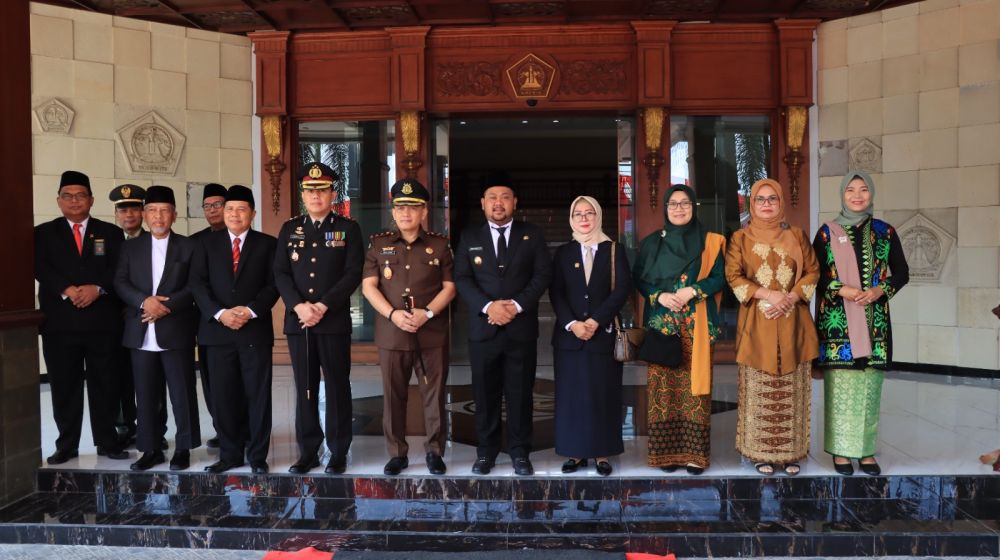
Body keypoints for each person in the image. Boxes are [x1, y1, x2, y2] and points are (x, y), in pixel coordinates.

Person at [454, 173, 552, 476]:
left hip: (520, 329)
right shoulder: (470, 236)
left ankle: (520, 453)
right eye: (493, 198)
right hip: (483, 330)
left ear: (515, 203)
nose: (499, 203)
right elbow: (462, 279)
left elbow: (541, 276)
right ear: (483, 203)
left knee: (521, 393)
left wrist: (516, 305)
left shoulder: (532, 234)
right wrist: (488, 307)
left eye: (505, 197)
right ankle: (486, 452)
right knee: (484, 394)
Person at [814, 171, 909, 476]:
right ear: (842, 194)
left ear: (871, 194)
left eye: (863, 189)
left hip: (875, 324)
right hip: (838, 326)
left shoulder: (886, 231)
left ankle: (866, 452)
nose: (857, 195)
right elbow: (817, 276)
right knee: (841, 390)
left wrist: (880, 291)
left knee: (869, 389)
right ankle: (841, 453)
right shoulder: (827, 233)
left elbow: (901, 272)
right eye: (851, 190)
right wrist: (844, 290)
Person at [361, 179, 456, 476]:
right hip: (393, 333)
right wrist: (392, 315)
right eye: (400, 207)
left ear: (424, 212)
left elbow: (450, 288)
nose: (405, 213)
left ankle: (435, 452)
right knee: (393, 395)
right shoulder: (379, 244)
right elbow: (368, 287)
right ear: (393, 211)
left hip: (431, 332)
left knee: (434, 394)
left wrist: (426, 313)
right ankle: (397, 453)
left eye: (412, 208)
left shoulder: (440, 245)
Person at [725, 178, 819, 476]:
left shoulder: (798, 235)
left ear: (781, 203)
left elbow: (813, 270)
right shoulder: (740, 238)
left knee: (791, 388)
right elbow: (733, 276)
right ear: (752, 204)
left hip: (793, 322)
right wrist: (768, 295)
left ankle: (791, 454)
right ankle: (759, 453)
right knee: (760, 387)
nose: (767, 204)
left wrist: (790, 297)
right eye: (761, 199)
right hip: (758, 321)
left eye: (773, 199)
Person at [274, 162, 363, 475]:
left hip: (333, 321)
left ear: (332, 194)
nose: (316, 195)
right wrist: (299, 306)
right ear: (303, 194)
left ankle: (338, 450)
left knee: (338, 386)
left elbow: (353, 273)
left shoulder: (348, 229)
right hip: (299, 322)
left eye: (322, 190)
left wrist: (323, 306)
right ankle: (308, 451)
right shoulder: (290, 228)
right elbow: (281, 273)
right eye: (310, 190)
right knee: (305, 386)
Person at [35, 171, 129, 464]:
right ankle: (67, 444)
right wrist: (67, 289)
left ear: (91, 199)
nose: (74, 201)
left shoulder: (110, 233)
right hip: (60, 324)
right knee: (64, 386)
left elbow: (118, 269)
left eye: (80, 195)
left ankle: (107, 442)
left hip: (102, 322)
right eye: (68, 195)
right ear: (59, 200)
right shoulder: (42, 232)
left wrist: (96, 289)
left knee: (105, 384)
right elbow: (39, 266)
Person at [633, 185, 726, 475]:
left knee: (694, 391)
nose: (679, 208)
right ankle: (666, 455)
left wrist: (694, 291)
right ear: (665, 208)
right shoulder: (651, 244)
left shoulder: (711, 242)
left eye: (685, 203)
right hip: (663, 327)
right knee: (664, 390)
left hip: (696, 327)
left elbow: (720, 278)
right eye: (673, 204)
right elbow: (639, 279)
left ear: (694, 207)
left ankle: (694, 455)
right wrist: (659, 296)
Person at [191, 185, 279, 474]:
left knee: (257, 395)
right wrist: (220, 313)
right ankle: (229, 455)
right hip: (216, 332)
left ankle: (257, 456)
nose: (234, 214)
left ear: (252, 213)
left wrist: (250, 310)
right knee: (223, 395)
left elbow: (273, 284)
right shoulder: (205, 244)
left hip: (254, 331)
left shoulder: (267, 244)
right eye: (229, 209)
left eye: (241, 209)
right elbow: (198, 284)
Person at [114, 185, 201, 471]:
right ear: (144, 214)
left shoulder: (189, 246)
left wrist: (167, 306)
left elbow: (195, 285)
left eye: (164, 211)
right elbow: (121, 282)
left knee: (181, 393)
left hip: (175, 328)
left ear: (174, 215)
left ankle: (184, 447)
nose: (158, 216)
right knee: (146, 393)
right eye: (152, 211)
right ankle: (150, 448)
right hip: (140, 330)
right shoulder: (130, 247)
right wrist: (144, 302)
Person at [550, 196, 631, 477]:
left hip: (602, 335)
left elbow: (621, 289)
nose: (584, 219)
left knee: (603, 395)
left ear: (598, 217)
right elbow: (556, 293)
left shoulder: (613, 250)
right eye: (578, 214)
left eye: (589, 213)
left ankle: (601, 453)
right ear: (571, 219)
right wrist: (572, 323)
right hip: (570, 338)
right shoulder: (563, 253)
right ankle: (574, 452)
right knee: (571, 396)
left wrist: (596, 320)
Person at [109, 184, 167, 449]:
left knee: (154, 380)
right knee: (119, 377)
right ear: (116, 214)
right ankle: (125, 427)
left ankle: (157, 429)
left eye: (134, 208)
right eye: (123, 210)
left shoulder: (157, 239)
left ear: (142, 212)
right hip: (115, 323)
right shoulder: (109, 240)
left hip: (149, 320)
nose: (129, 215)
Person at [190, 183, 228, 449]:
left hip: (242, 319)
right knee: (212, 381)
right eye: (208, 205)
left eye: (218, 204)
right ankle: (221, 428)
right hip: (208, 321)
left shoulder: (246, 236)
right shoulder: (195, 242)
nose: (213, 210)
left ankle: (243, 427)